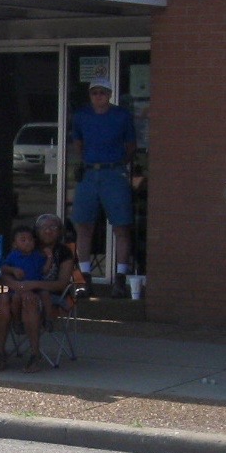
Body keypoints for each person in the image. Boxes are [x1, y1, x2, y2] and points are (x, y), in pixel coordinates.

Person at [68, 77, 138, 296]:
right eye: (94, 92)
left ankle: (120, 278)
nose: (99, 96)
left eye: (103, 92)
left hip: (114, 172)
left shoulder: (122, 116)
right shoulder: (81, 116)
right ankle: (85, 278)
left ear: (109, 94)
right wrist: (89, 162)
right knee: (83, 226)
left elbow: (131, 146)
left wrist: (116, 164)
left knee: (121, 226)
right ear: (90, 95)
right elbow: (78, 144)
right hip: (90, 173)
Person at [0, 224, 48, 370]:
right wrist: (13, 270)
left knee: (26, 298)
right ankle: (0, 352)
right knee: (3, 296)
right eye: (23, 240)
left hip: (32, 290)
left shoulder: (38, 256)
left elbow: (45, 272)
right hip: (8, 287)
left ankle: (34, 353)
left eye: (30, 240)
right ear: (15, 244)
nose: (28, 242)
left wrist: (48, 258)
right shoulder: (12, 256)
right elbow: (2, 270)